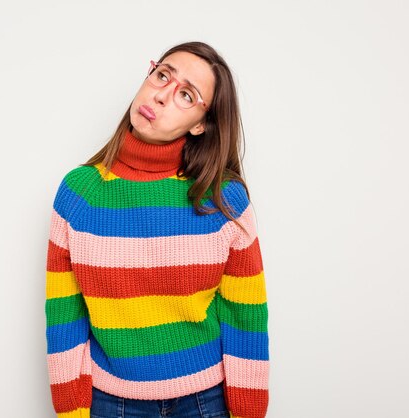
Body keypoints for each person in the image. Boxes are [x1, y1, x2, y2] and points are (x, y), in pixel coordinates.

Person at [44, 41, 269, 418]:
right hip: (110, 404)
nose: (161, 94)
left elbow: (246, 317)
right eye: (162, 74)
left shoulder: (225, 200)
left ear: (201, 124)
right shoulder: (79, 194)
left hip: (205, 403)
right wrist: (71, 412)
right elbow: (64, 316)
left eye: (186, 95)